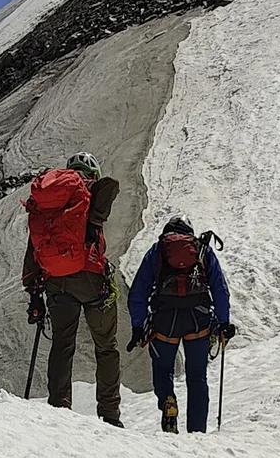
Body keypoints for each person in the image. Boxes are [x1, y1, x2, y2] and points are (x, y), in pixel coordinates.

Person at [22, 152, 123, 427]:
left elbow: (34, 246)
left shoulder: (50, 204)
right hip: (91, 280)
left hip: (56, 282)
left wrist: (33, 293)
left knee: (62, 344)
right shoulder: (89, 194)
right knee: (106, 346)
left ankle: (59, 405)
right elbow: (112, 184)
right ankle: (110, 413)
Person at [128, 217, 233, 432]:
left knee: (163, 369)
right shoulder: (202, 251)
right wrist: (224, 323)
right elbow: (220, 289)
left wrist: (138, 326)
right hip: (198, 321)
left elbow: (138, 292)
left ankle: (168, 401)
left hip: (165, 322)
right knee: (197, 377)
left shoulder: (157, 252)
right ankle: (197, 431)